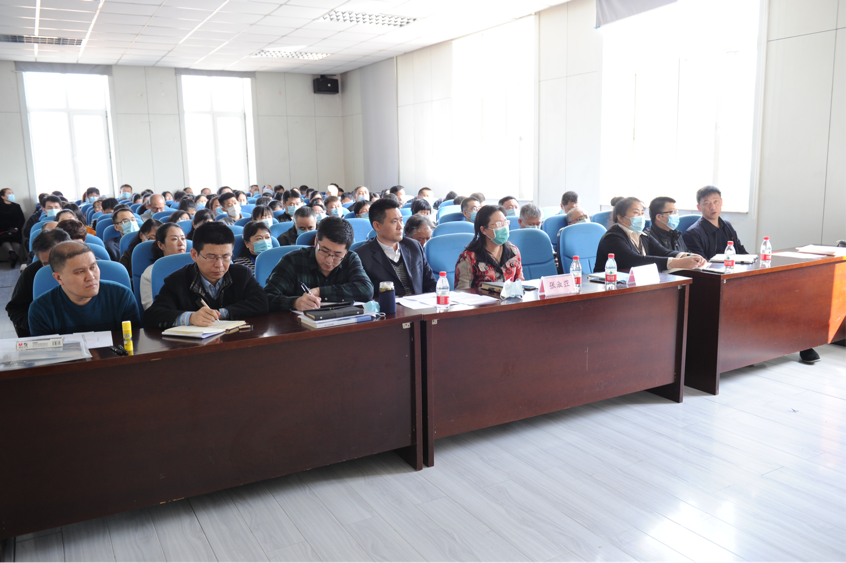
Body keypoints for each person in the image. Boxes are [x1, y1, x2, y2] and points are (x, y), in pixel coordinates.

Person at [144, 222, 269, 328]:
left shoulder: (242, 274)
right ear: (194, 255)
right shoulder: (176, 281)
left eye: (226, 256)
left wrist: (221, 313)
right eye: (211, 257)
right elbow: (152, 315)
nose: (219, 265)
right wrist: (191, 317)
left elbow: (262, 302)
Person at [28, 241, 140, 336]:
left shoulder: (121, 296)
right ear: (59, 278)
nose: (91, 277)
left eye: (93, 267)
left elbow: (135, 342)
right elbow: (47, 353)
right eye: (79, 272)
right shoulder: (41, 309)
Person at [264, 217, 373, 311]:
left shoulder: (350, 258)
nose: (329, 260)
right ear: (316, 241)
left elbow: (366, 290)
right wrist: (295, 303)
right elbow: (266, 298)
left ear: (346, 251)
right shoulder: (292, 261)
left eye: (337, 255)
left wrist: (320, 292)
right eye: (325, 251)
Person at [594, 197, 705, 273]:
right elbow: (634, 260)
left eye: (642, 213)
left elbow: (663, 252)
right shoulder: (612, 237)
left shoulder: (642, 235)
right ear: (620, 217)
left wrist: (688, 256)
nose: (640, 217)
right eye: (636, 213)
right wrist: (677, 263)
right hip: (610, 286)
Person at [355, 199, 437, 298]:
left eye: (401, 220)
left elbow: (431, 283)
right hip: (386, 306)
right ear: (377, 226)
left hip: (419, 305)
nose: (400, 226)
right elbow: (364, 296)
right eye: (394, 221)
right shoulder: (361, 256)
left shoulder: (414, 246)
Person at [6, 229, 70, 337]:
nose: (55, 267)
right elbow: (15, 309)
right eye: (47, 264)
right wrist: (35, 324)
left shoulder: (90, 269)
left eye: (58, 260)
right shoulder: (32, 272)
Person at [455, 205, 524, 290]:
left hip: (511, 298)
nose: (504, 228)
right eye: (499, 224)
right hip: (482, 298)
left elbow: (520, 283)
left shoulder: (513, 251)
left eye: (505, 223)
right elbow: (462, 292)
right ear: (483, 230)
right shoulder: (469, 258)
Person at [683, 186, 748, 259]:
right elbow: (700, 263)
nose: (713, 207)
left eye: (716, 201)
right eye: (707, 203)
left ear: (721, 202)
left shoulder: (727, 226)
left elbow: (741, 252)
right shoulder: (693, 234)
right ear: (699, 207)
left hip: (732, 265)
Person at [139, 223, 187, 310]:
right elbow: (152, 310)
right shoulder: (151, 272)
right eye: (174, 239)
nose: (181, 243)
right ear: (161, 245)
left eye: (183, 239)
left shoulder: (197, 267)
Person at [1, 188, 25, 268]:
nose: (11, 194)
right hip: (3, 230)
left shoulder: (16, 206)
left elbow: (21, 219)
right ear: (2, 196)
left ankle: (13, 257)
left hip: (16, 230)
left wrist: (17, 228)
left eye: (12, 193)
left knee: (16, 239)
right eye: (9, 193)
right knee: (4, 238)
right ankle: (12, 254)